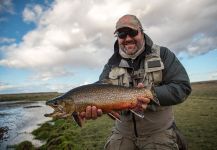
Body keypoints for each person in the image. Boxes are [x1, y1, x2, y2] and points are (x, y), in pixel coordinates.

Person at [79, 14, 192, 150]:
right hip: (122, 133)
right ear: (118, 38)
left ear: (141, 31)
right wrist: (96, 108)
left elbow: (182, 87)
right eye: (121, 34)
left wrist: (150, 95)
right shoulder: (110, 64)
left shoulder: (163, 54)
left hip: (158, 131)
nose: (127, 38)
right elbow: (98, 91)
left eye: (132, 32)